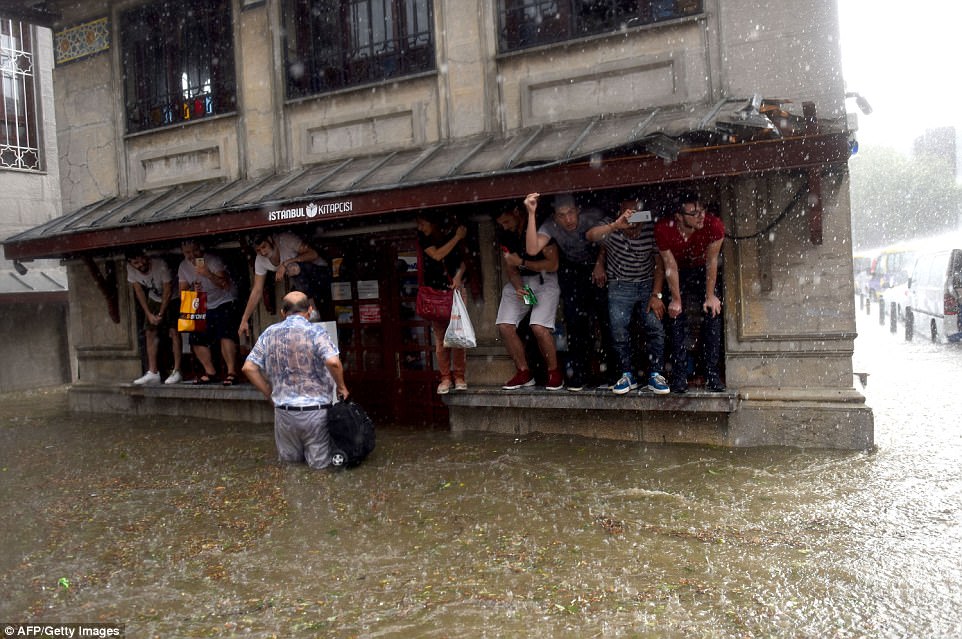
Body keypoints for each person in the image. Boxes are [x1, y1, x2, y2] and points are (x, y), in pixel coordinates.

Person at [242, 291, 349, 470]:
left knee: (291, 469)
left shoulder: (269, 333)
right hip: (316, 412)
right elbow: (333, 362)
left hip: (283, 413)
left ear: (283, 312)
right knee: (320, 469)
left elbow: (248, 368)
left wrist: (269, 392)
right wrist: (342, 387)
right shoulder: (316, 331)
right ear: (310, 310)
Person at [524, 192, 612, 391]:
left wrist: (600, 263)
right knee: (575, 322)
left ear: (578, 210)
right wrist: (531, 213)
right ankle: (580, 375)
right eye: (562, 215)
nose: (568, 219)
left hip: (597, 264)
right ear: (555, 217)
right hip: (572, 270)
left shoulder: (592, 216)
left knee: (606, 319)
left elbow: (608, 239)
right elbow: (531, 249)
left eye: (571, 213)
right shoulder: (550, 224)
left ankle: (612, 374)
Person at [586, 202, 670, 395]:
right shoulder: (611, 224)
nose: (633, 224)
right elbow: (590, 236)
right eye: (629, 217)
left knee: (654, 325)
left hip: (647, 282)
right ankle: (626, 374)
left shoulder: (650, 224)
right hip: (619, 283)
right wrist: (616, 225)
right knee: (618, 328)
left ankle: (656, 374)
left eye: (637, 217)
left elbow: (659, 262)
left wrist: (656, 294)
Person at [654, 191, 726, 393]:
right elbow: (670, 266)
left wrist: (710, 296)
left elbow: (712, 261)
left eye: (702, 210)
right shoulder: (663, 229)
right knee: (675, 315)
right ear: (679, 217)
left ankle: (711, 373)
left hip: (702, 269)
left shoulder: (714, 225)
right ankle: (679, 375)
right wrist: (676, 300)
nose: (700, 216)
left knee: (714, 311)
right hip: (678, 270)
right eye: (694, 213)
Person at [494, 200, 564, 390]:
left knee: (538, 327)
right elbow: (510, 266)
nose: (505, 226)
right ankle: (523, 372)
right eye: (501, 224)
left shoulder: (541, 226)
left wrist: (523, 262)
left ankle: (554, 372)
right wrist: (518, 287)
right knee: (505, 325)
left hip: (544, 279)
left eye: (507, 221)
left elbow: (553, 264)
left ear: (517, 212)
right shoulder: (504, 234)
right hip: (522, 282)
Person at [238, 231, 331, 338]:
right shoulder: (260, 260)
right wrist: (244, 319)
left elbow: (313, 254)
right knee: (290, 304)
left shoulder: (286, 240)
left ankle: (313, 311)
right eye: (258, 250)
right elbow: (257, 290)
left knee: (292, 268)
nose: (263, 252)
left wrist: (285, 263)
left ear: (270, 239)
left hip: (320, 274)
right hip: (303, 287)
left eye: (264, 247)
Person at [416, 212, 469, 394]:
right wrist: (457, 237)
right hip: (436, 292)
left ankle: (458, 375)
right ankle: (446, 377)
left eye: (422, 223)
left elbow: (464, 262)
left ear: (432, 222)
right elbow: (437, 255)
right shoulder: (424, 239)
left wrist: (458, 277)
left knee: (458, 337)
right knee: (441, 338)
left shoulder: (449, 235)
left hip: (453, 289)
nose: (420, 228)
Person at [178, 240, 241, 385]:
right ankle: (210, 372)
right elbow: (182, 292)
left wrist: (208, 274)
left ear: (200, 248)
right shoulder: (183, 266)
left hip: (223, 298)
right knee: (195, 336)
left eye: (194, 251)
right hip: (201, 300)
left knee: (225, 333)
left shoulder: (212, 260)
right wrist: (193, 289)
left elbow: (224, 284)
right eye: (187, 252)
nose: (191, 255)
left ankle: (231, 372)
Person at [125, 249, 183, 385]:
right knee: (149, 331)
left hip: (173, 297)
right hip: (154, 297)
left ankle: (177, 370)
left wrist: (161, 313)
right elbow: (138, 290)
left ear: (146, 257)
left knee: (174, 331)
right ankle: (153, 371)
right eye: (136, 263)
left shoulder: (160, 265)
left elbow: (168, 290)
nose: (140, 265)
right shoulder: (131, 269)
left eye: (142, 260)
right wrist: (148, 313)